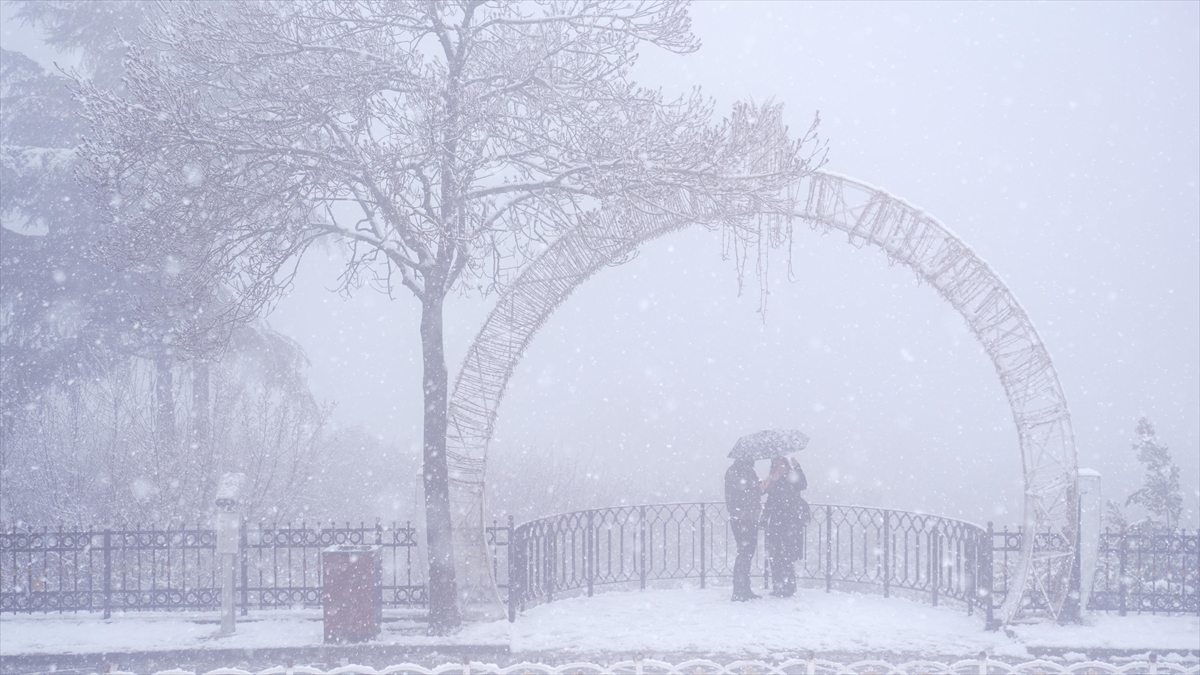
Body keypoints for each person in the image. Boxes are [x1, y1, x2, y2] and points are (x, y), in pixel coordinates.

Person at [762, 456, 808, 597]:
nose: (779, 468)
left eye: (782, 466)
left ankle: (788, 587)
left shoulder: (791, 478)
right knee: (775, 555)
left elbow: (803, 485)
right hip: (776, 523)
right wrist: (764, 518)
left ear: (787, 467)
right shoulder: (774, 481)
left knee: (787, 556)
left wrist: (798, 467)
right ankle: (778, 587)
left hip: (790, 523)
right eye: (776, 466)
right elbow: (769, 500)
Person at [724, 456, 766, 601]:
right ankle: (739, 590)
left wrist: (760, 486)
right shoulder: (738, 471)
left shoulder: (742, 470)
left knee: (746, 553)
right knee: (745, 553)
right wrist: (758, 488)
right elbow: (744, 494)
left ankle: (744, 589)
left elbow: (749, 490)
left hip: (746, 517)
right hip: (744, 517)